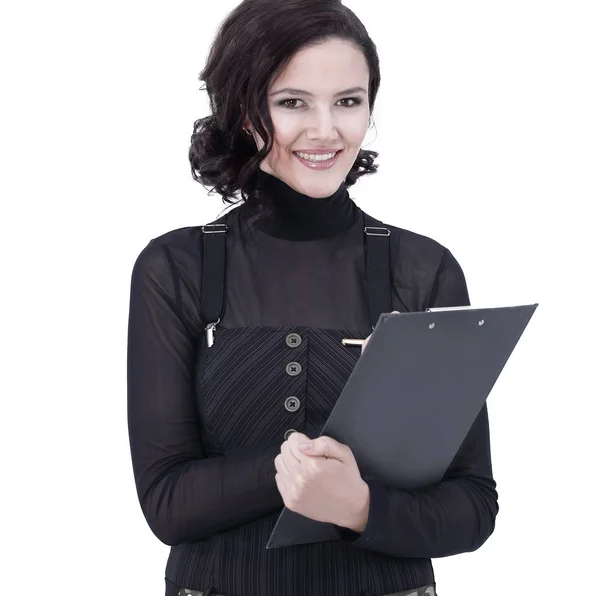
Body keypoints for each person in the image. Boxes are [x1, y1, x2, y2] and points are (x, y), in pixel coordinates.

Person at [126, 1, 499, 595]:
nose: (326, 131)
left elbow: (473, 506)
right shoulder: (177, 267)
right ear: (244, 108)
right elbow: (167, 503)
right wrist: (299, 469)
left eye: (348, 101)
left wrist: (359, 508)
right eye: (292, 102)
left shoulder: (423, 271)